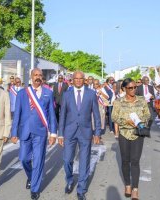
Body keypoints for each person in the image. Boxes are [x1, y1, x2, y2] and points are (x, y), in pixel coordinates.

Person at [11, 68, 57, 200]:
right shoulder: (22, 93)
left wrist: (53, 133)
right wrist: (14, 133)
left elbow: (52, 116)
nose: (38, 77)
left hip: (40, 132)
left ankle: (35, 188)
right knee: (24, 159)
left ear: (42, 78)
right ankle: (31, 177)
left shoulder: (48, 93)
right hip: (25, 131)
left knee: (38, 160)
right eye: (35, 75)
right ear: (31, 77)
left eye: (40, 75)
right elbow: (17, 115)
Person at [58, 71, 101, 200]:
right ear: (72, 80)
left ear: (84, 80)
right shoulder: (66, 95)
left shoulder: (91, 94)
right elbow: (62, 115)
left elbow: (96, 115)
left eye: (80, 78)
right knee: (67, 159)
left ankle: (81, 189)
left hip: (85, 132)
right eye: (75, 78)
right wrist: (60, 134)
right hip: (69, 132)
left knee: (84, 161)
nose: (77, 80)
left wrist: (97, 132)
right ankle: (70, 180)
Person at [112, 78, 150, 200]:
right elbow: (114, 117)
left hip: (138, 134)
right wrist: (126, 121)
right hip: (124, 134)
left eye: (135, 87)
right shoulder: (118, 102)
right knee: (125, 161)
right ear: (124, 89)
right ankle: (127, 185)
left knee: (135, 161)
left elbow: (148, 114)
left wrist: (140, 120)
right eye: (130, 88)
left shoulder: (142, 100)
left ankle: (135, 188)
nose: (134, 90)